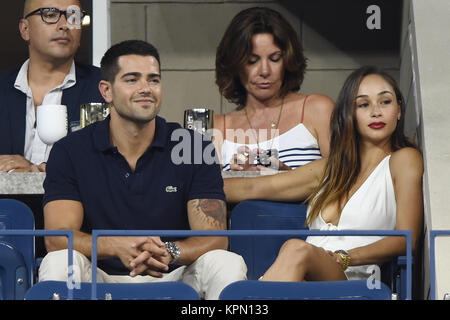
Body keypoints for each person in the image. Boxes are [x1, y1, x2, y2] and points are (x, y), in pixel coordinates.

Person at [38, 40, 247, 300]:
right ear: (107, 91)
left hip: (174, 277)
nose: (146, 89)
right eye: (132, 80)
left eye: (153, 80)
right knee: (59, 261)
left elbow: (215, 239)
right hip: (100, 277)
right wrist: (116, 246)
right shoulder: (70, 150)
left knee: (225, 262)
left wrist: (169, 250)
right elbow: (57, 239)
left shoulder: (194, 146)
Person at [223, 66, 423, 282]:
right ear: (350, 114)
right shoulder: (330, 168)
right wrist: (193, 183)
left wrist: (346, 257)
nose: (376, 111)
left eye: (385, 101)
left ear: (399, 110)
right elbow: (250, 188)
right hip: (304, 278)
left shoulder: (404, 159)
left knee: (296, 249)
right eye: (363, 104)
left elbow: (407, 239)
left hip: (354, 282)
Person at [214, 7, 334, 171]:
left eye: (274, 59)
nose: (265, 71)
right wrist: (241, 180)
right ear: (235, 65)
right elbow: (200, 193)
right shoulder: (217, 127)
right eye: (252, 61)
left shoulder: (318, 109)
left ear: (287, 60)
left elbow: (343, 187)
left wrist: (285, 178)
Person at [0, 0, 104, 173]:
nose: (64, 25)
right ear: (25, 29)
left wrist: (44, 169)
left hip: (77, 199)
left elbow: (107, 161)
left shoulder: (102, 87)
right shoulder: (3, 88)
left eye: (74, 16)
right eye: (50, 15)